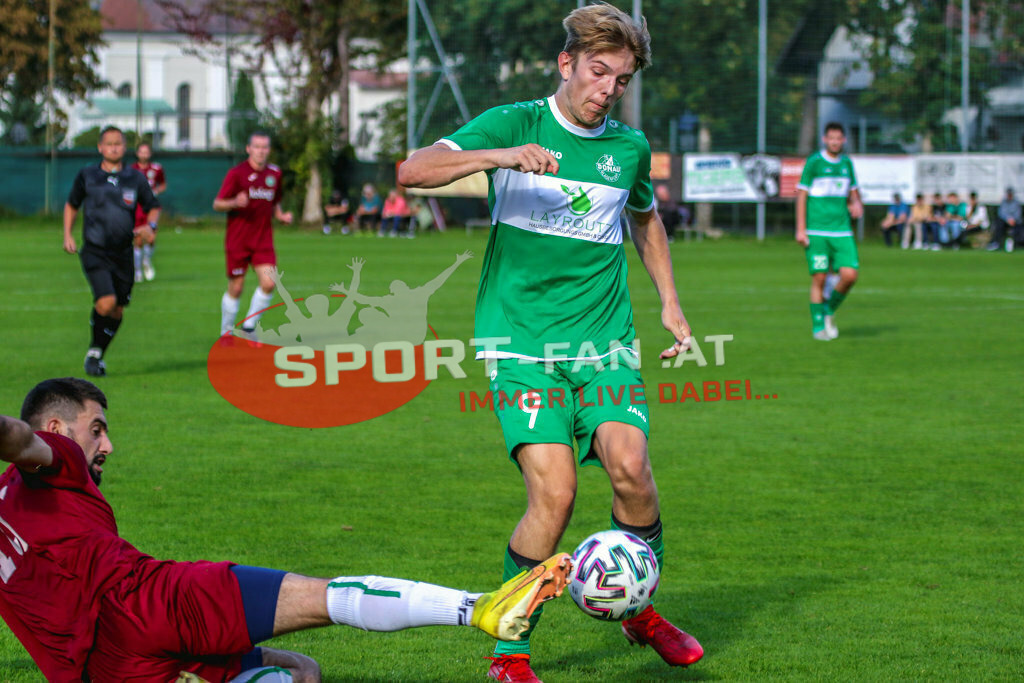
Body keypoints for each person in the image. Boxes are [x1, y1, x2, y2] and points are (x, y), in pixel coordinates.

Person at [398, 4, 703, 681]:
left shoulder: (627, 148)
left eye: (621, 79)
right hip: (521, 343)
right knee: (556, 496)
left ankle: (638, 608)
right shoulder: (516, 124)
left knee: (632, 468)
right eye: (598, 72)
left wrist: (672, 304)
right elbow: (411, 171)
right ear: (566, 64)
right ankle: (510, 652)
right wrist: (498, 157)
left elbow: (645, 221)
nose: (607, 89)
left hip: (604, 340)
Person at [0, 377, 572, 682]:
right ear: (56, 428)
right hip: (153, 602)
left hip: (104, 670)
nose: (107, 445)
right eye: (96, 428)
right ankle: (478, 609)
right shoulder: (59, 458)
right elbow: (19, 440)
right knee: (330, 598)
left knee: (301, 671)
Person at [63, 125, 160, 377]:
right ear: (100, 148)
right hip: (95, 250)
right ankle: (95, 350)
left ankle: (96, 353)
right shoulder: (87, 175)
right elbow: (72, 205)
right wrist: (67, 234)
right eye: (109, 144)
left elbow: (153, 206)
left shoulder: (135, 178)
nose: (114, 147)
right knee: (106, 303)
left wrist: (150, 226)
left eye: (118, 143)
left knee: (118, 309)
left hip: (124, 253)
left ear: (124, 147)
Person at [213, 131, 294, 337]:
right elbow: (217, 203)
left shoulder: (274, 174)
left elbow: (274, 200)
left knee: (269, 283)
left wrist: (280, 215)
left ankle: (249, 326)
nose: (261, 151)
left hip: (263, 239)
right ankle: (226, 333)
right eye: (257, 147)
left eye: (265, 147)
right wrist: (234, 202)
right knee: (237, 288)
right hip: (238, 240)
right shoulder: (236, 174)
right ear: (249, 149)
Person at [795, 121, 863, 341]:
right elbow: (802, 195)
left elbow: (853, 191)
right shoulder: (814, 162)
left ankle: (828, 309)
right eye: (831, 138)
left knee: (850, 275)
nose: (835, 142)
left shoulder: (846, 164)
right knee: (820, 278)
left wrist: (856, 203)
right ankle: (818, 327)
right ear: (825, 140)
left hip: (842, 231)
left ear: (843, 140)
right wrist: (801, 229)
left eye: (838, 138)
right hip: (817, 232)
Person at [131, 141, 167, 281]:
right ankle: (138, 270)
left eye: (146, 152)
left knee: (151, 237)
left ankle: (146, 261)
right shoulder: (131, 169)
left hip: (152, 207)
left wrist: (156, 190)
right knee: (138, 240)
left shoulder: (156, 168)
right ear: (137, 153)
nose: (144, 154)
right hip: (137, 207)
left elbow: (163, 184)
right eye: (141, 152)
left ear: (150, 153)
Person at [987, 187, 1022, 252]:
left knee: (1019, 227)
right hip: (1005, 221)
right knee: (999, 224)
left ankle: (1017, 244)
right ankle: (995, 243)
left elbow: (1018, 214)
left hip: (1015, 221)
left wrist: (1013, 219)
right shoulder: (1004, 202)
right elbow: (1001, 213)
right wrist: (1008, 219)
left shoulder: (1016, 203)